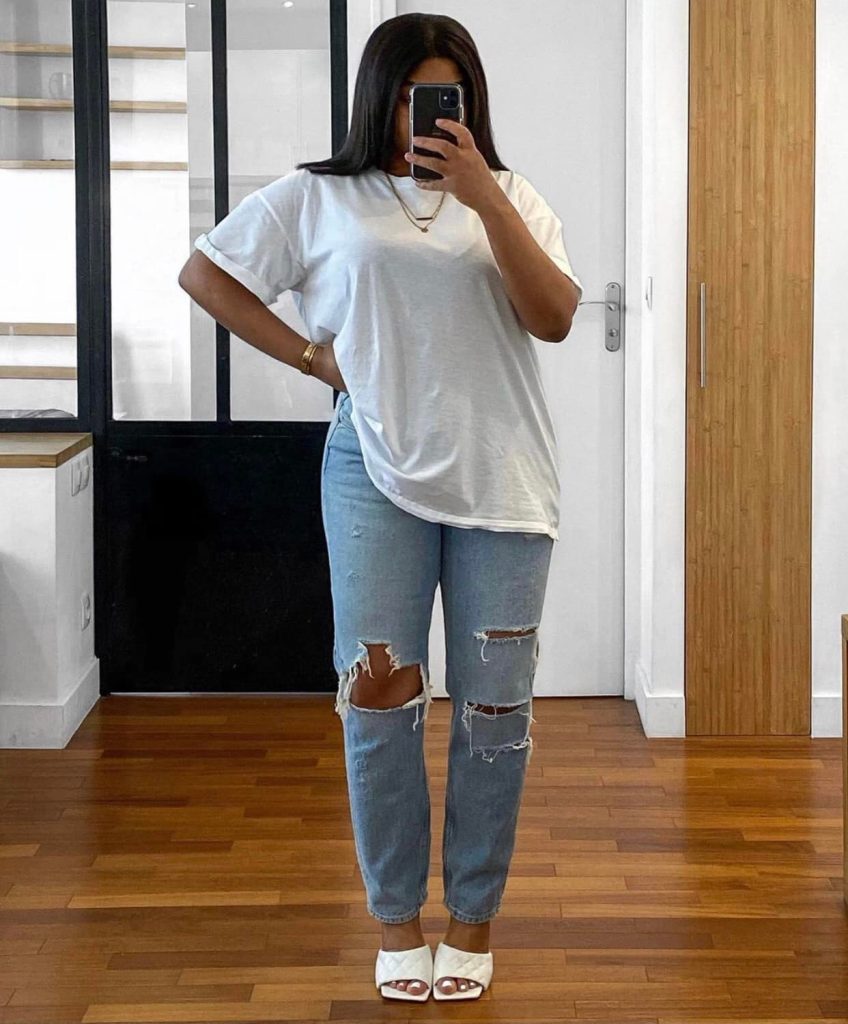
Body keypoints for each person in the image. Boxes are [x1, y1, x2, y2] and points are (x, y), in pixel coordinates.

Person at [179, 11, 582, 1004]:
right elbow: (205, 274)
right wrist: (310, 357)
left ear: (470, 103)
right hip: (373, 474)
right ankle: (398, 923)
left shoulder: (513, 195)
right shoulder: (320, 197)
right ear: (378, 98)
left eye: (444, 95)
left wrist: (484, 197)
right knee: (378, 706)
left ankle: (472, 922)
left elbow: (555, 318)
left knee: (494, 713)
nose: (423, 113)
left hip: (502, 482)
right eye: (407, 95)